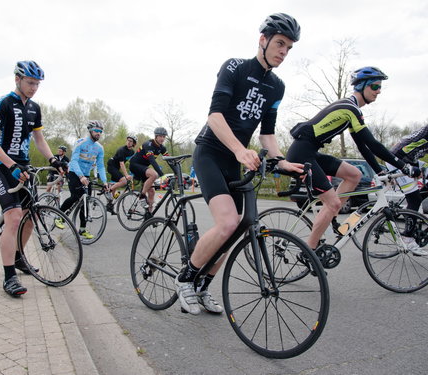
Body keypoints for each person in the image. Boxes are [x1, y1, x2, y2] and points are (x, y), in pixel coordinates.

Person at [175, 13, 305, 315]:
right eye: (280, 44)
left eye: (289, 48)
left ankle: (203, 286)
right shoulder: (234, 67)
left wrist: (282, 161)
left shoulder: (277, 87)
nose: (283, 52)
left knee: (236, 229)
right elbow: (215, 116)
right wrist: (238, 149)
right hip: (210, 151)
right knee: (227, 222)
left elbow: (268, 134)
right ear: (263, 40)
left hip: (237, 158)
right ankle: (185, 279)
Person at [285, 66, 420, 255]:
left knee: (354, 174)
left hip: (309, 152)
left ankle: (330, 214)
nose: (378, 91)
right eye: (374, 86)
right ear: (362, 86)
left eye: (380, 87)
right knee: (333, 204)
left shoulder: (351, 109)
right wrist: (404, 166)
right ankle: (309, 251)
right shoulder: (350, 109)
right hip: (301, 155)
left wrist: (379, 171)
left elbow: (363, 146)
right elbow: (373, 144)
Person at [0, 61, 65, 297]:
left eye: (37, 84)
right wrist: (10, 165)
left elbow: (39, 139)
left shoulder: (34, 108)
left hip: (23, 166)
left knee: (32, 215)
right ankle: (9, 277)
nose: (34, 88)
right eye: (30, 83)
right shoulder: (2, 103)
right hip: (2, 165)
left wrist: (53, 160)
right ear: (17, 79)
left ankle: (19, 258)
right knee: (14, 217)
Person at [55, 120, 109, 239]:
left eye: (100, 131)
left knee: (86, 201)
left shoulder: (99, 148)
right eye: (96, 131)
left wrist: (105, 182)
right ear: (90, 131)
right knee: (75, 197)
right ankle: (59, 217)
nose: (98, 133)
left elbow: (100, 166)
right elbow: (73, 161)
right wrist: (80, 176)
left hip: (86, 175)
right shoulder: (80, 142)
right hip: (75, 173)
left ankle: (82, 229)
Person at [385, 125, 428, 255]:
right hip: (398, 160)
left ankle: (412, 212)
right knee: (414, 199)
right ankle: (408, 238)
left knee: (417, 198)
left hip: (411, 159)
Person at [129, 127, 168, 214]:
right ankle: (142, 196)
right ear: (156, 136)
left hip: (143, 168)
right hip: (135, 165)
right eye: (160, 136)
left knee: (152, 192)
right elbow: (152, 161)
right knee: (154, 174)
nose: (162, 138)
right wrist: (162, 175)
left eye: (164, 137)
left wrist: (177, 173)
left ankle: (149, 216)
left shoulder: (162, 148)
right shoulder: (148, 144)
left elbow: (170, 161)